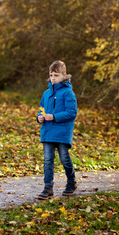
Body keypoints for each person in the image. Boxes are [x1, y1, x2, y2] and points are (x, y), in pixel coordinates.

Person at [36, 60, 78, 200]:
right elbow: (41, 109)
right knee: (48, 160)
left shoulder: (68, 93)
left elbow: (71, 113)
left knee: (64, 158)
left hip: (62, 132)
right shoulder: (46, 93)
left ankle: (71, 182)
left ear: (64, 75)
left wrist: (54, 116)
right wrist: (39, 117)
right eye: (51, 75)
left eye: (56, 75)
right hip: (48, 132)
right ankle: (48, 188)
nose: (53, 78)